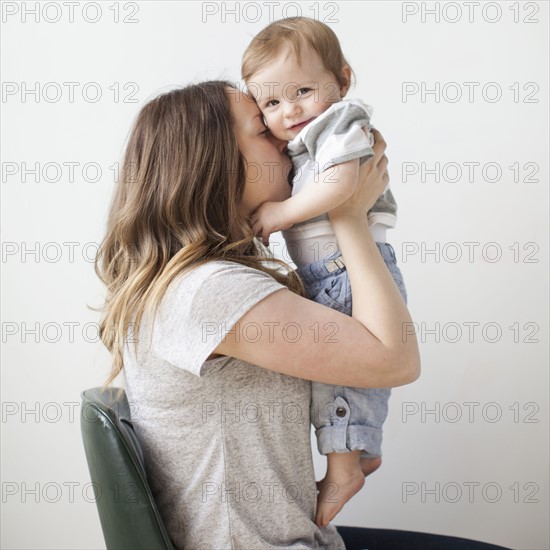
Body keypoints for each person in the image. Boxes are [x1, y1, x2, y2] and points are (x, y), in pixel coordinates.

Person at [94, 81, 420, 550]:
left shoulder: (197, 282)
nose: (288, 139)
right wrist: (347, 213)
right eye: (262, 130)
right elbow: (396, 359)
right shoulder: (209, 291)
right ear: (215, 163)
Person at [241, 17, 406, 527]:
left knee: (339, 376)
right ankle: (359, 450)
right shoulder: (301, 139)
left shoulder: (338, 123)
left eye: (303, 91)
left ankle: (344, 466)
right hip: (331, 269)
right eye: (269, 103)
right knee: (337, 376)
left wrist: (278, 214)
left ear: (343, 80)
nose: (288, 110)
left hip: (345, 269)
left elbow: (340, 189)